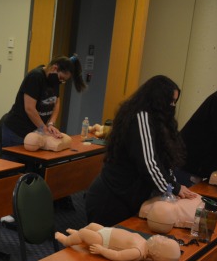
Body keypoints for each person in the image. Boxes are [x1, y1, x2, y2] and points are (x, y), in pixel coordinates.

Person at [84, 75, 197, 226]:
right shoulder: (141, 118)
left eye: (175, 102)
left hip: (129, 197)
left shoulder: (157, 121)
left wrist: (172, 184)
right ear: (158, 99)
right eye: (170, 101)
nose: (172, 106)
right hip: (111, 199)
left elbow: (163, 160)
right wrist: (173, 188)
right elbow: (149, 163)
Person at [0, 55, 87, 151]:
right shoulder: (35, 77)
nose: (61, 81)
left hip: (36, 131)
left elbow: (56, 102)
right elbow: (29, 108)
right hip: (17, 132)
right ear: (54, 68)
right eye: (61, 78)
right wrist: (44, 129)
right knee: (15, 164)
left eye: (64, 80)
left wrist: (51, 124)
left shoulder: (55, 80)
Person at [55, 223, 182, 261]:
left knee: (83, 233)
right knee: (92, 226)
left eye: (163, 241)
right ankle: (77, 237)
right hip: (107, 231)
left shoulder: (138, 252)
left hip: (103, 241)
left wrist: (102, 250)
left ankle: (67, 241)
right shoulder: (145, 243)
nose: (161, 237)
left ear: (156, 253)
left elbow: (118, 255)